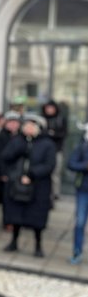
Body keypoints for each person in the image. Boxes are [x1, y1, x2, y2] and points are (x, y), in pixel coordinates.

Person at [1, 114, 56, 257]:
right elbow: (5, 157)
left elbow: (49, 165)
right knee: (16, 215)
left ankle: (38, 245)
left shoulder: (47, 144)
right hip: (17, 185)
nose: (29, 128)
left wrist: (32, 174)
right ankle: (14, 241)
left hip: (38, 186)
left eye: (32, 126)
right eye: (26, 126)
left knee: (36, 217)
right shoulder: (17, 141)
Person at [67, 123, 88, 265]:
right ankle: (77, 251)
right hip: (83, 190)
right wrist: (85, 166)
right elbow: (71, 163)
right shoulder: (82, 147)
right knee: (80, 222)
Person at [41, 100, 67, 200]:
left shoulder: (60, 119)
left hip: (57, 150)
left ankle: (55, 194)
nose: (49, 110)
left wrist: (51, 133)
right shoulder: (42, 119)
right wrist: (51, 133)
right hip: (43, 151)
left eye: (51, 108)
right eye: (48, 108)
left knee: (55, 173)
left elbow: (62, 134)